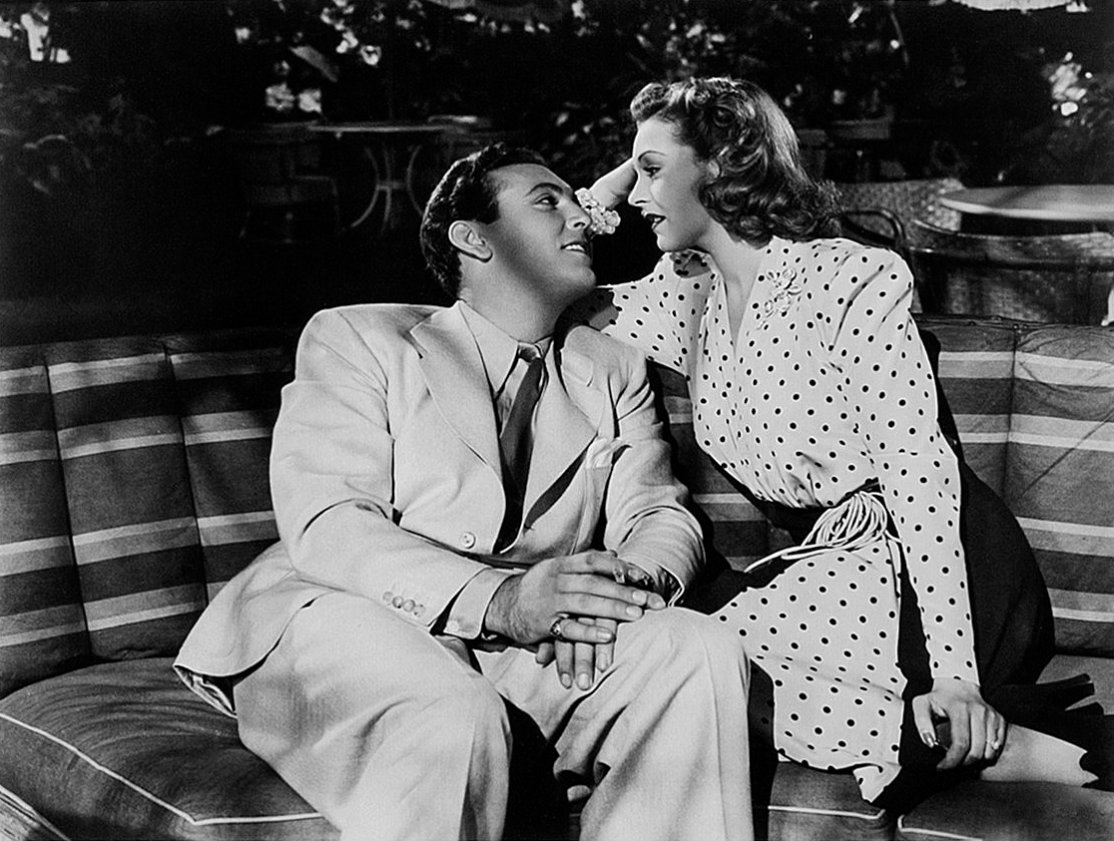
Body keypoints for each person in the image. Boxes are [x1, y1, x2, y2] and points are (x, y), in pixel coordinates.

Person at [174, 143, 754, 841]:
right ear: (473, 238)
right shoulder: (359, 335)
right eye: (548, 202)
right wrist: (502, 600)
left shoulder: (613, 367)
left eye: (576, 201)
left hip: (531, 638)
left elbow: (658, 511)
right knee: (454, 712)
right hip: (351, 612)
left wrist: (612, 592)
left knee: (695, 649)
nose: (583, 217)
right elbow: (331, 523)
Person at [568, 76, 1101, 811]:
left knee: (697, 666)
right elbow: (556, 293)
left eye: (651, 169)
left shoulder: (847, 277)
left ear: (721, 164)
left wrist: (954, 673)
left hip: (934, 562)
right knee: (681, 666)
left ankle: (984, 732)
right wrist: (598, 198)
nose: (635, 195)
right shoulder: (684, 297)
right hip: (828, 569)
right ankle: (1014, 749)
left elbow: (921, 472)